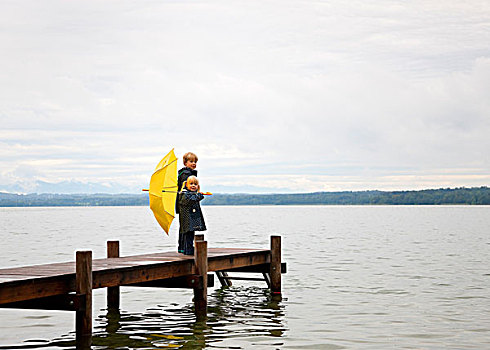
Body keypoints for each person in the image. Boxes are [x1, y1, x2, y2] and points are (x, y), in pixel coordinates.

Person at [178, 176, 206, 255]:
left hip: (191, 219)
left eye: (195, 184)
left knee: (191, 234)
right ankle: (188, 250)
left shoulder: (192, 194)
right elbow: (191, 200)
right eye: (191, 184)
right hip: (187, 219)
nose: (193, 185)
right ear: (186, 185)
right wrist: (199, 196)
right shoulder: (184, 194)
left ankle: (189, 248)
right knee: (188, 235)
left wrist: (198, 195)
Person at [176, 152, 199, 253]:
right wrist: (196, 194)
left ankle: (182, 248)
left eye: (195, 162)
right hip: (187, 204)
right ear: (185, 163)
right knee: (189, 227)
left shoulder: (183, 173)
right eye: (191, 161)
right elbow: (188, 189)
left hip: (181, 204)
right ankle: (188, 248)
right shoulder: (187, 174)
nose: (193, 163)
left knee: (183, 226)